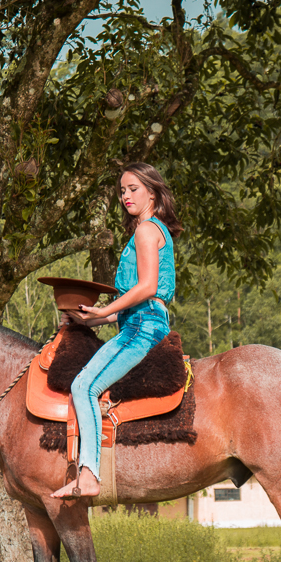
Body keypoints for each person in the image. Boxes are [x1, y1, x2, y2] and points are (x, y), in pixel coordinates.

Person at [51, 163, 182, 499]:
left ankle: (89, 474)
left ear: (152, 192)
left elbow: (148, 287)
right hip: (140, 321)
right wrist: (92, 320)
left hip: (142, 328)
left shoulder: (146, 231)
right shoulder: (150, 231)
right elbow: (134, 303)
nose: (125, 195)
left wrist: (107, 308)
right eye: (122, 190)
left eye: (133, 188)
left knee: (83, 386)